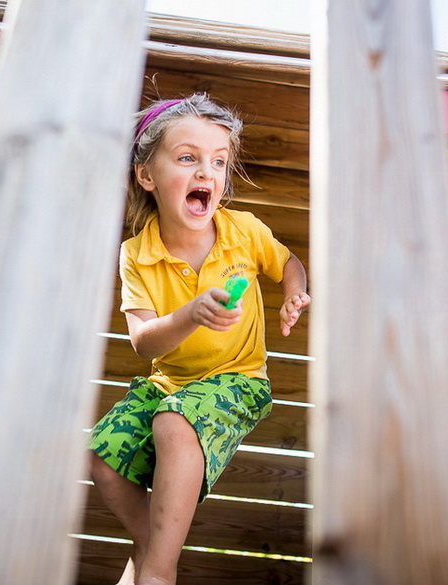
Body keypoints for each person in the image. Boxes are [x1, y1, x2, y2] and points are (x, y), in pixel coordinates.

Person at [88, 93, 310, 585]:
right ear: (147, 176)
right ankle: (149, 542)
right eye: (188, 158)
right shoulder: (136, 254)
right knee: (104, 458)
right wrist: (189, 315)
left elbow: (288, 262)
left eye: (218, 161)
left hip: (239, 379)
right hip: (168, 383)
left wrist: (295, 292)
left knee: (174, 423)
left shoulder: (244, 232)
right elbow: (145, 342)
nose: (206, 172)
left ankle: (158, 572)